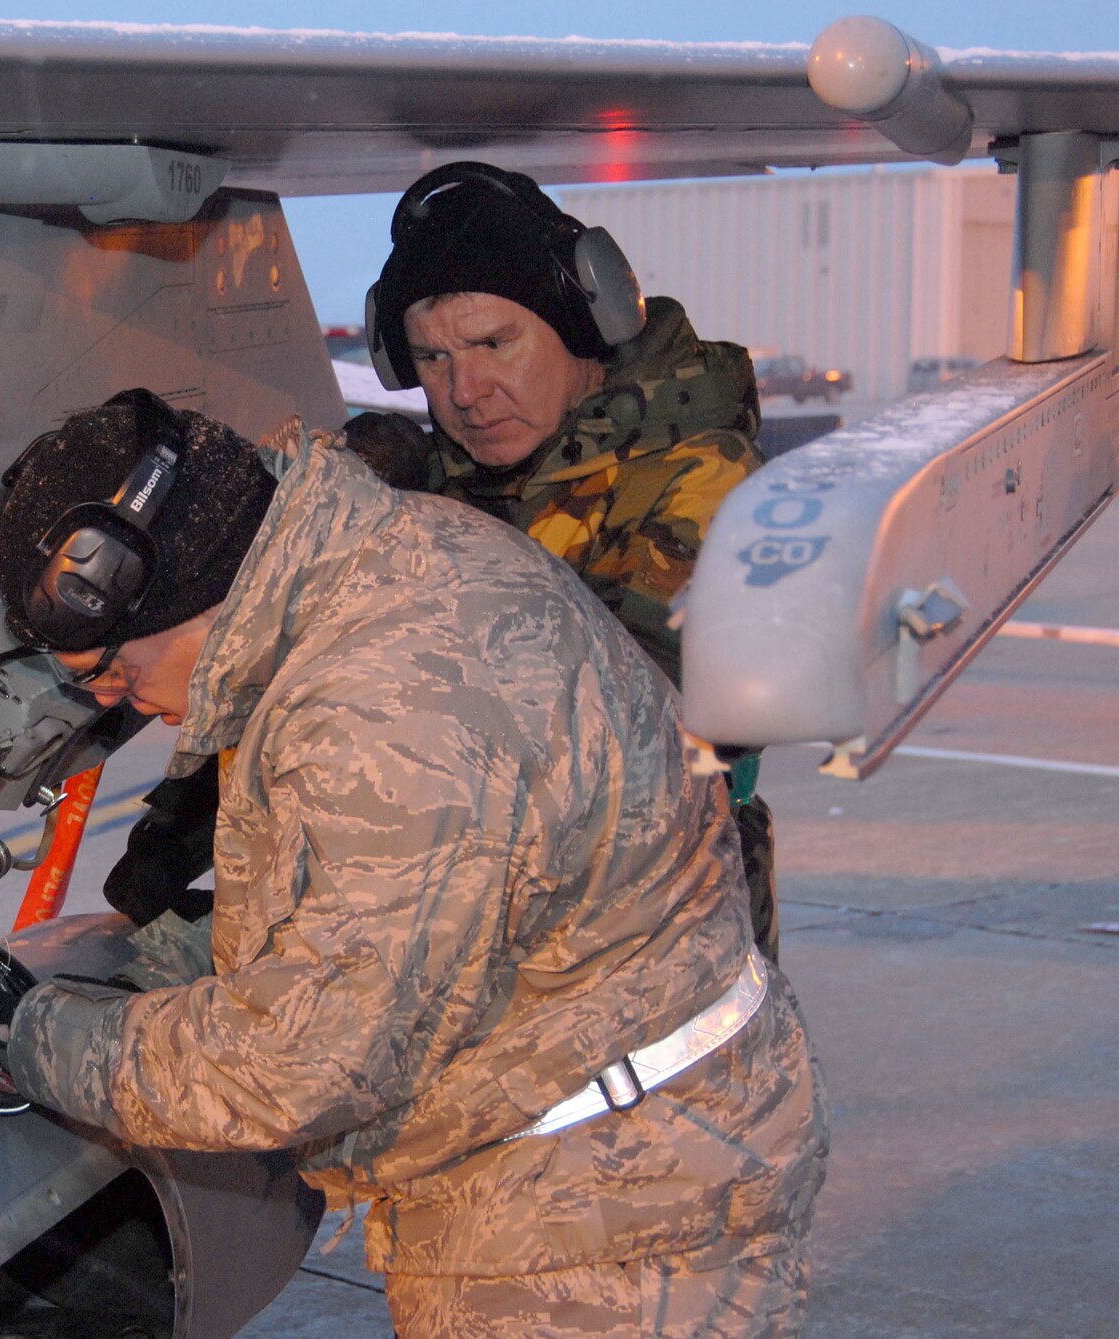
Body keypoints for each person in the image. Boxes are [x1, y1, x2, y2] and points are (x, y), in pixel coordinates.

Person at [0, 389, 825, 1337]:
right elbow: (426, 895)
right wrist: (161, 968)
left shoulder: (381, 703)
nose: (121, 699)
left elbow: (299, 1066)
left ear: (177, 588)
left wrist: (33, 1044)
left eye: (111, 669)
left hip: (595, 1230)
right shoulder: (386, 562)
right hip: (639, 1151)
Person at [108, 162, 780, 963]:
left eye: (496, 342)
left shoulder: (702, 481)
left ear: (584, 322)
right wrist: (184, 823)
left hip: (652, 929)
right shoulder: (446, 479)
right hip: (474, 919)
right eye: (431, 358)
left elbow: (621, 734)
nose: (466, 389)